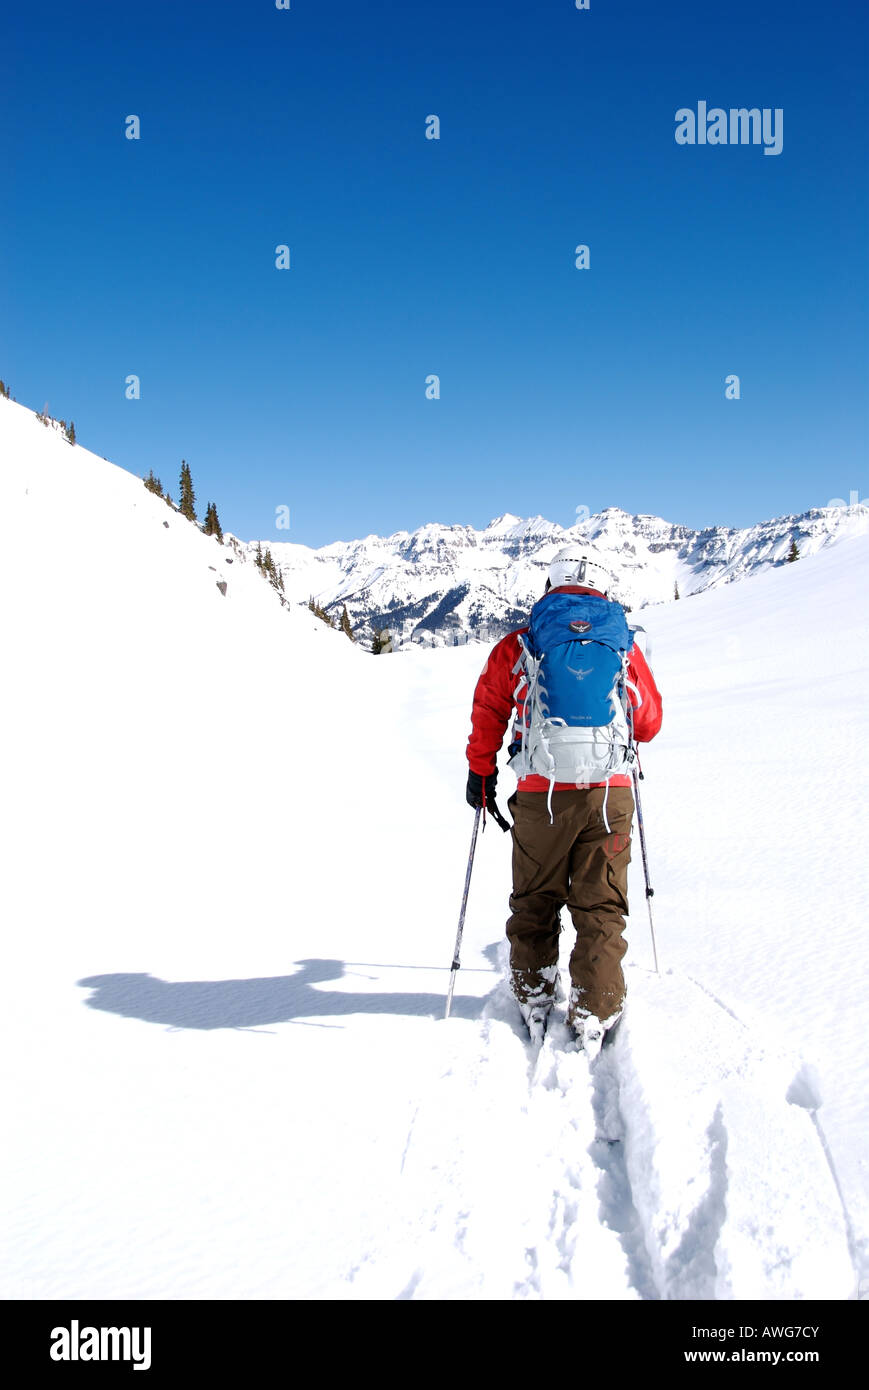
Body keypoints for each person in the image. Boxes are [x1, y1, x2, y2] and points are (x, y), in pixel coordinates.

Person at [465, 546, 663, 1048]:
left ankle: (533, 994)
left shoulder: (522, 642)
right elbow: (650, 721)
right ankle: (594, 1008)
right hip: (609, 795)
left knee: (535, 898)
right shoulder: (622, 644)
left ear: (551, 585)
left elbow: (490, 706)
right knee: (601, 905)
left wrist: (481, 771)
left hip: (540, 794)